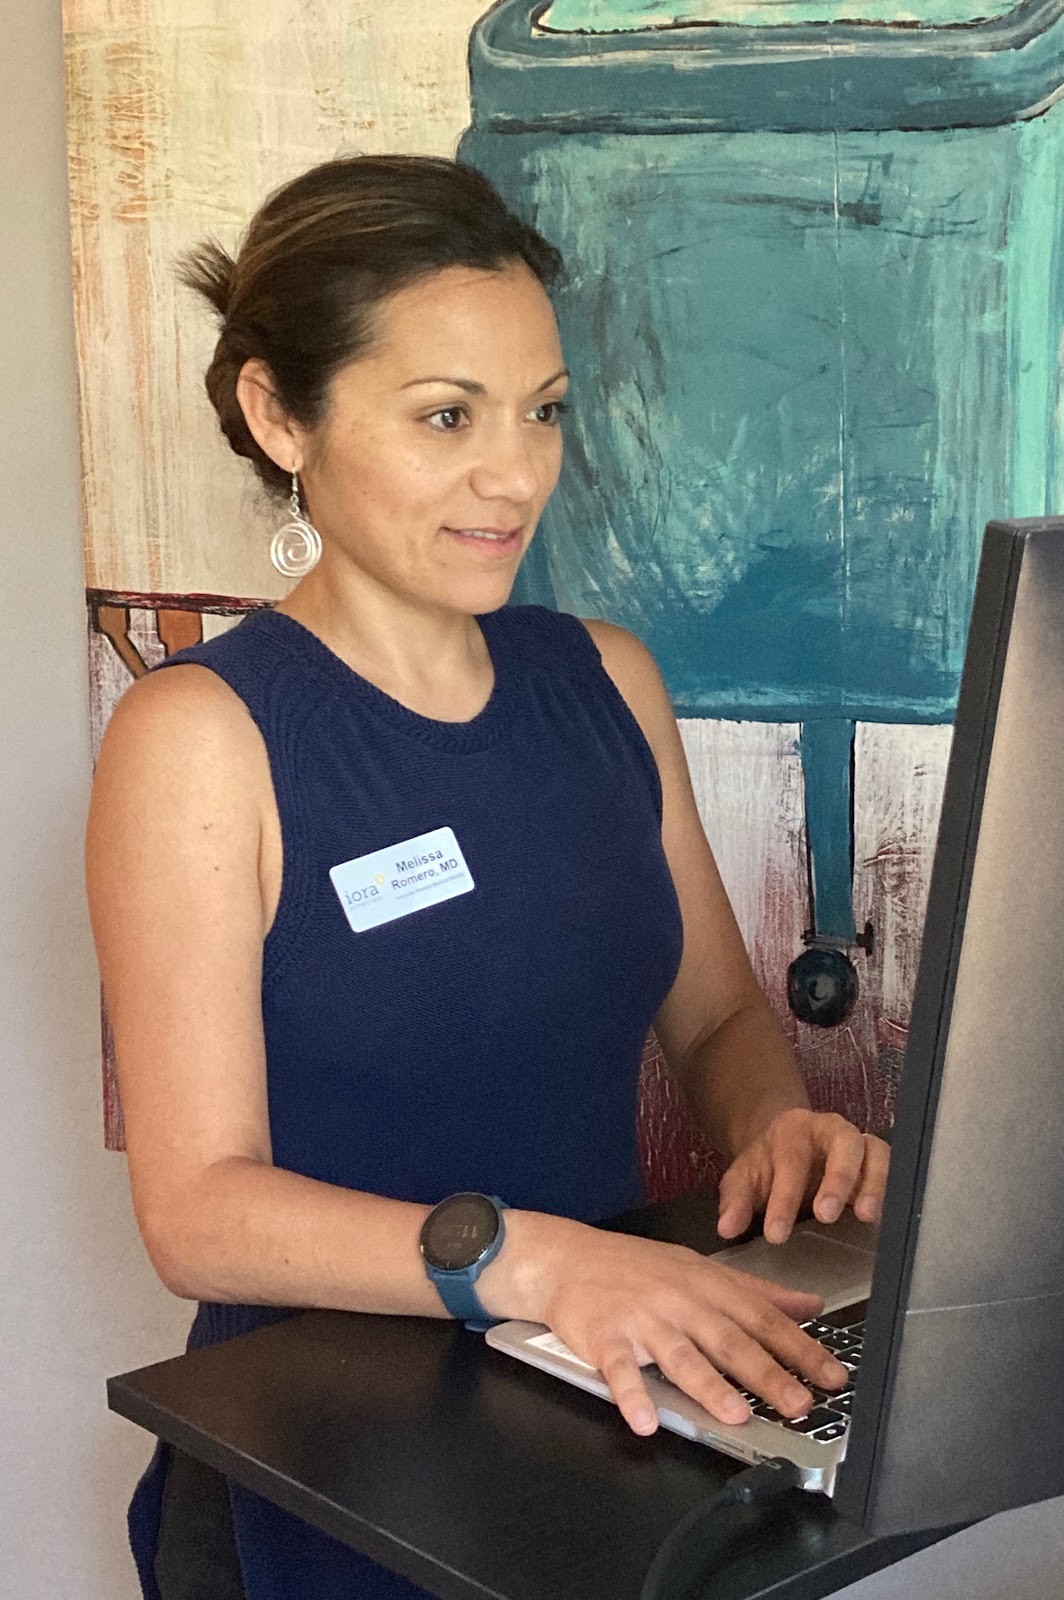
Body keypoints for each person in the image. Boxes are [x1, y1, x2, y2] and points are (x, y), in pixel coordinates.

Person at [86, 154, 890, 1600]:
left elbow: (716, 1016)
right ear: (279, 414)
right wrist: (534, 1263)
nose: (516, 474)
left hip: (598, 1411)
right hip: (323, 1466)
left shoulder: (605, 681)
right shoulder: (200, 737)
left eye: (543, 411)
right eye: (447, 415)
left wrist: (772, 1127)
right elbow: (195, 1211)